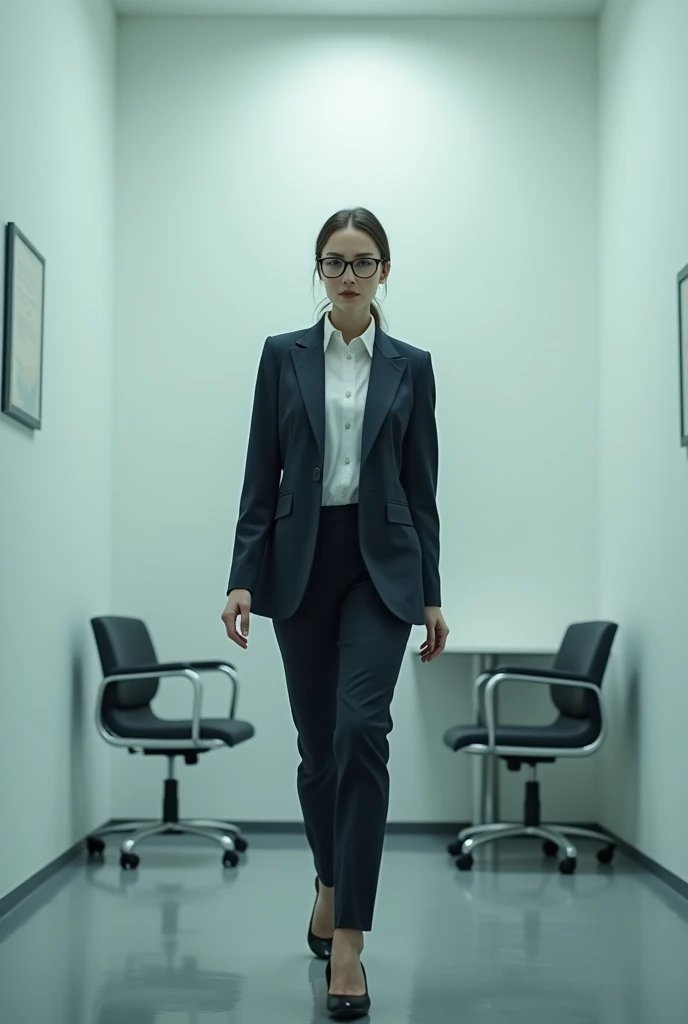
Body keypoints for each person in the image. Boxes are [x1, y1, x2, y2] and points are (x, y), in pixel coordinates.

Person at [221, 207, 449, 1019]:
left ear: (385, 269)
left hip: (381, 568)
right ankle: (326, 879)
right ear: (318, 271)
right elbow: (260, 476)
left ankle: (348, 938)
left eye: (362, 261)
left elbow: (421, 487)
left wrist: (431, 592)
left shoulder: (411, 366)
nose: (347, 275)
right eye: (332, 262)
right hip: (300, 563)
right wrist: (242, 577)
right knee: (318, 751)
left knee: (361, 733)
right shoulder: (280, 357)